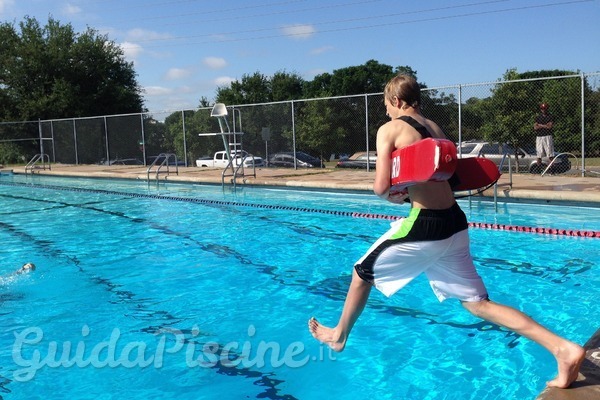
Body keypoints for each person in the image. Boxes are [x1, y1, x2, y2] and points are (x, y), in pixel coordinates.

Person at [308, 74, 585, 389]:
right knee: (478, 304)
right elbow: (443, 178)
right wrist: (408, 191)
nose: (385, 112)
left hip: (426, 224)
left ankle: (339, 335)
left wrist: (394, 195)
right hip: (454, 222)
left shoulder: (389, 129)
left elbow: (381, 187)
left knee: (361, 273)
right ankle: (562, 349)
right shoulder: (436, 130)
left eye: (386, 105)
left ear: (396, 101)